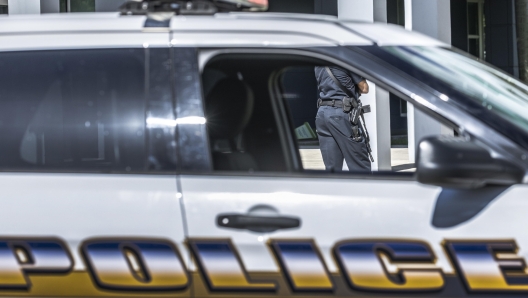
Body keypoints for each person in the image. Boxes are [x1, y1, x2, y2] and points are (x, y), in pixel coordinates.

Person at [314, 66, 371, 172]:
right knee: (359, 164)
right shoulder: (344, 62)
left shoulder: (318, 65)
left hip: (322, 113)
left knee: (332, 168)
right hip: (341, 113)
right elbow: (364, 88)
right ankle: (364, 188)